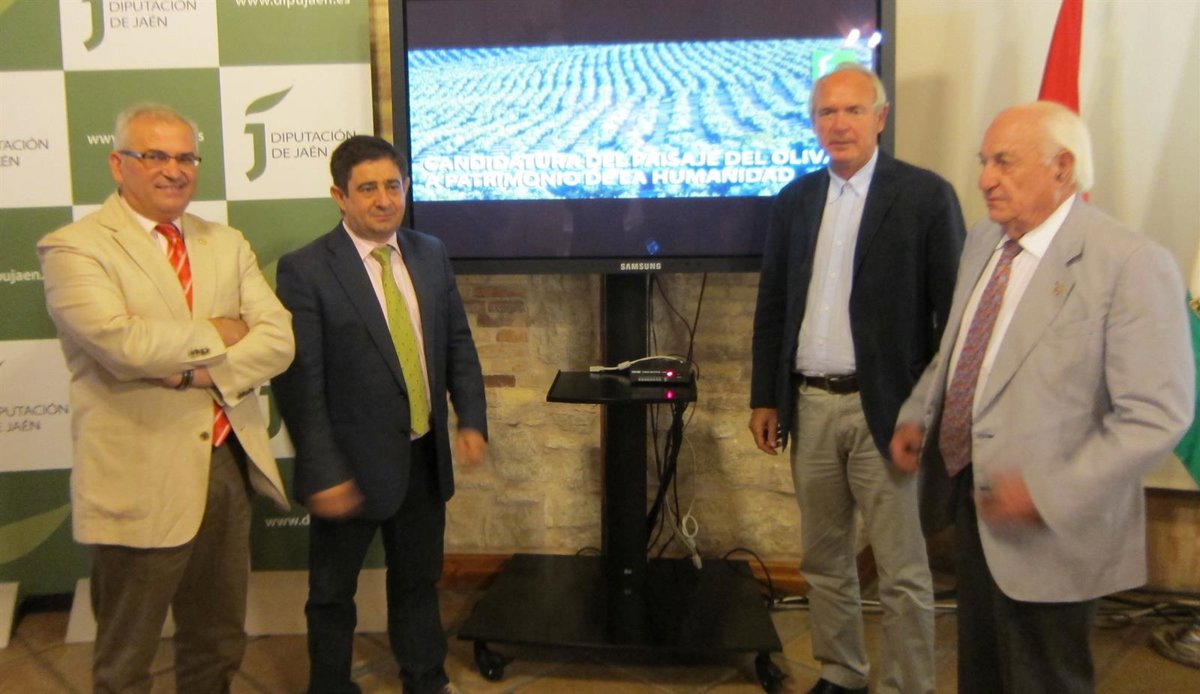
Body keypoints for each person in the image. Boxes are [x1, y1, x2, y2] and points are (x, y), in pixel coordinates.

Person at [890, 101, 1194, 694]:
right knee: (982, 675)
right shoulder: (984, 240)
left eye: (1004, 162)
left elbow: (1158, 416)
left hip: (1052, 521)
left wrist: (1046, 493)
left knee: (1043, 679)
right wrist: (917, 415)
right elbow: (958, 351)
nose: (984, 178)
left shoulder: (1130, 264)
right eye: (983, 161)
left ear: (1062, 167)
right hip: (975, 501)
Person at [37, 103, 294, 693]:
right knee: (127, 656)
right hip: (139, 475)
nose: (174, 170)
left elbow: (279, 339)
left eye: (185, 157)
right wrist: (223, 331)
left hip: (226, 465)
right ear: (117, 164)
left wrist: (192, 376)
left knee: (218, 640)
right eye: (155, 155)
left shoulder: (225, 242)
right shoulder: (74, 247)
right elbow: (125, 344)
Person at [749, 62, 965, 694]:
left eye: (852, 110)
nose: (839, 124)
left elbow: (954, 318)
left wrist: (925, 410)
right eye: (826, 112)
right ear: (813, 123)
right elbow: (774, 305)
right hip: (811, 404)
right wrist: (765, 397)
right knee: (823, 560)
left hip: (888, 412)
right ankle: (841, 673)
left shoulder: (925, 197)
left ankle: (907, 685)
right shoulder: (795, 201)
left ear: (880, 118)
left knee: (901, 570)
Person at [271, 135, 488, 694]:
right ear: (339, 196)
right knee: (331, 594)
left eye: (393, 186)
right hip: (348, 467)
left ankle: (426, 679)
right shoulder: (306, 270)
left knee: (418, 581)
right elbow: (300, 383)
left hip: (421, 455)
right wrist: (322, 470)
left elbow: (457, 344)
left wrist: (470, 420)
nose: (384, 199)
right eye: (367, 188)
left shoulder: (430, 252)